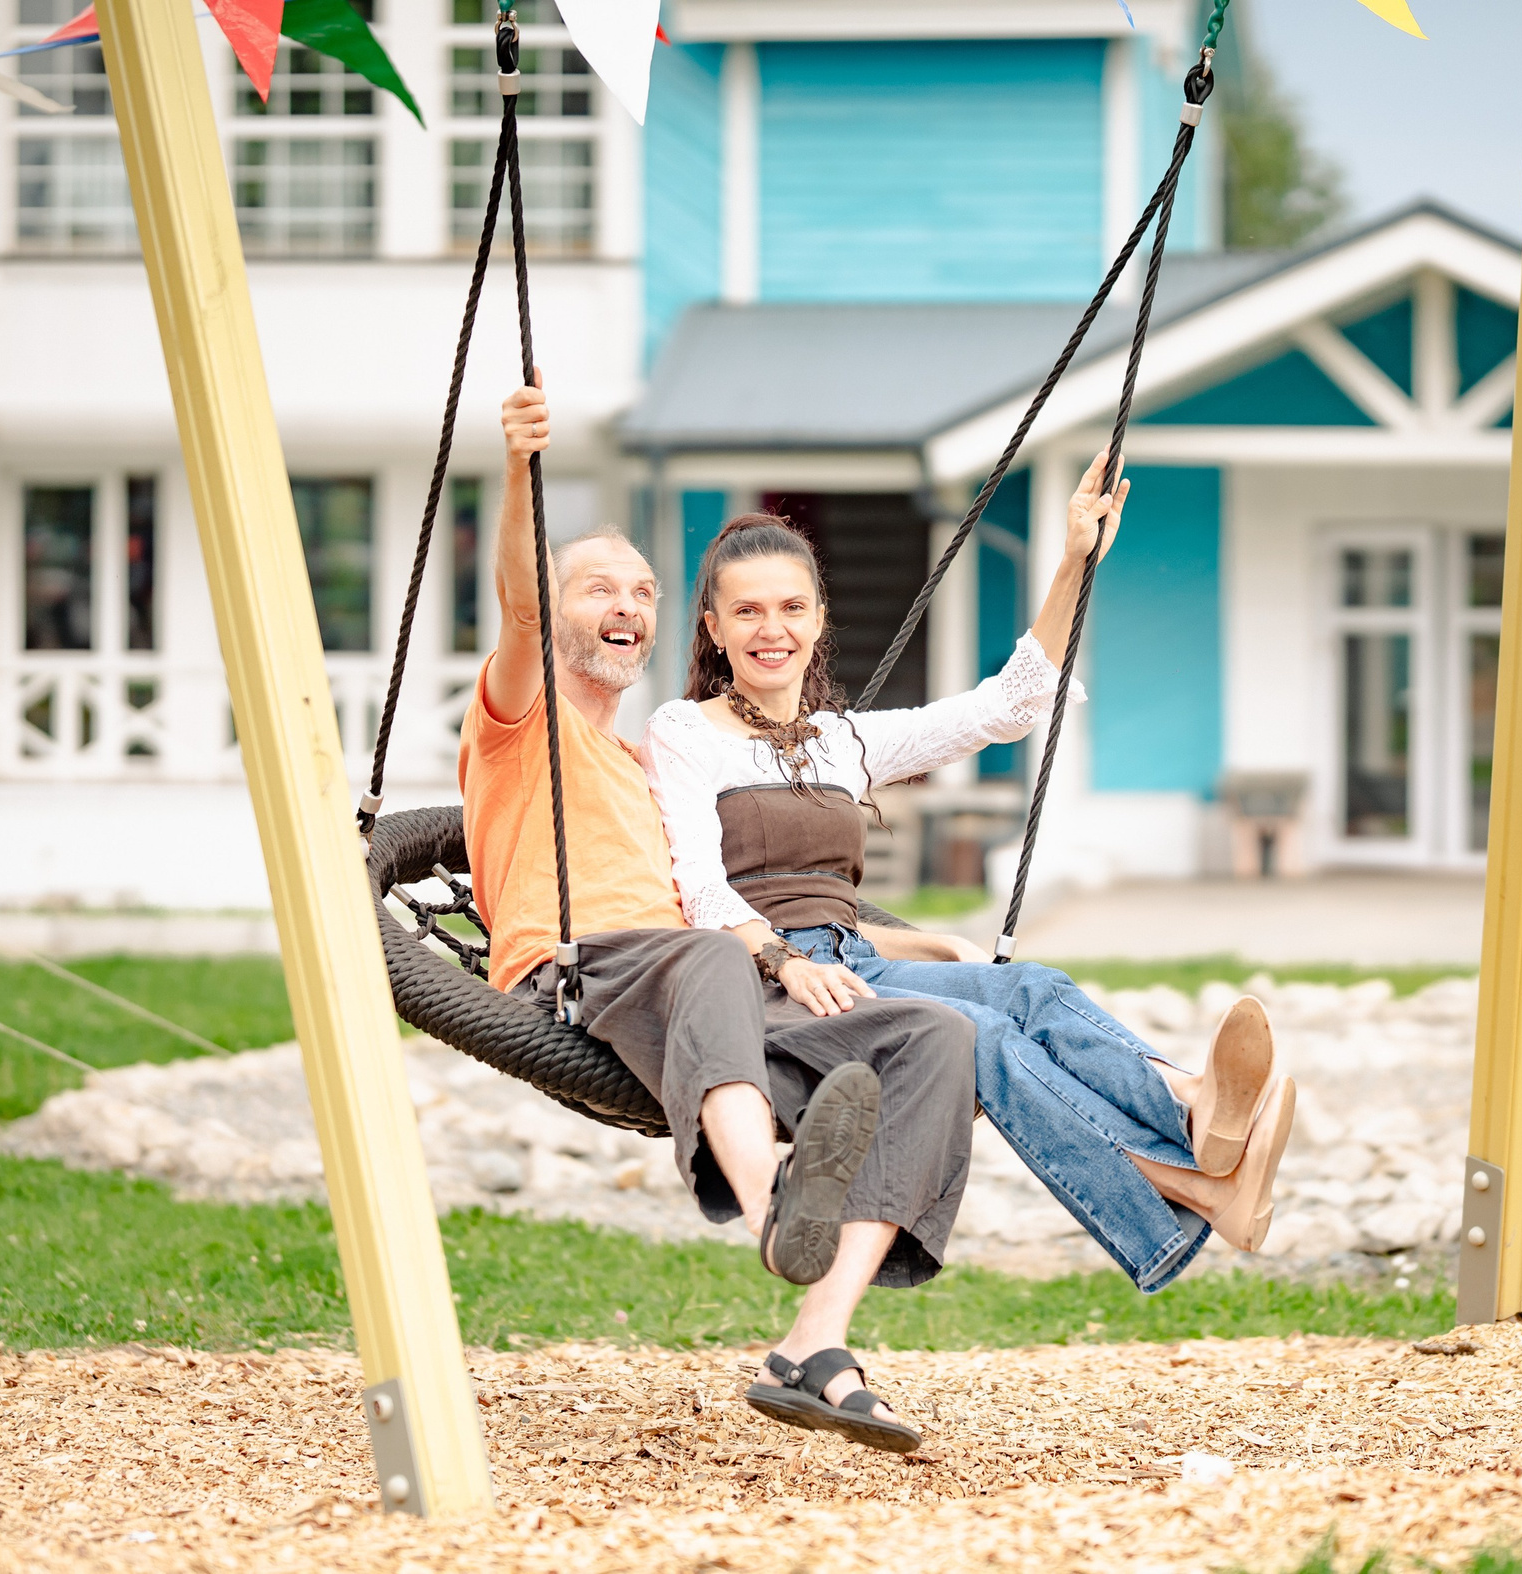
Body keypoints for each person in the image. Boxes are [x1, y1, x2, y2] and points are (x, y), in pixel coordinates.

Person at [458, 373, 979, 1454]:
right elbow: (512, 602)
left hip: (709, 990)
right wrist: (518, 471)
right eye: (597, 585)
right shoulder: (523, 717)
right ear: (555, 612)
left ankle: (814, 1342)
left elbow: (730, 903)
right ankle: (772, 1209)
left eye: (643, 590)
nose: (626, 604)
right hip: (584, 972)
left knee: (934, 1035)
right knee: (704, 955)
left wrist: (924, 943)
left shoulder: (657, 761)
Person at [639, 452, 1297, 1294]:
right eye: (749, 611)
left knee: (1032, 989)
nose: (773, 628)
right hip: (758, 981)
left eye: (792, 607)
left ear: (819, 617)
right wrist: (783, 960)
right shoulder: (684, 732)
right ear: (713, 626)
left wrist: (1071, 561)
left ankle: (1194, 1108)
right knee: (981, 1037)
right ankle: (1191, 1179)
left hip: (848, 963)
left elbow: (1009, 705)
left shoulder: (841, 741)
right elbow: (699, 887)